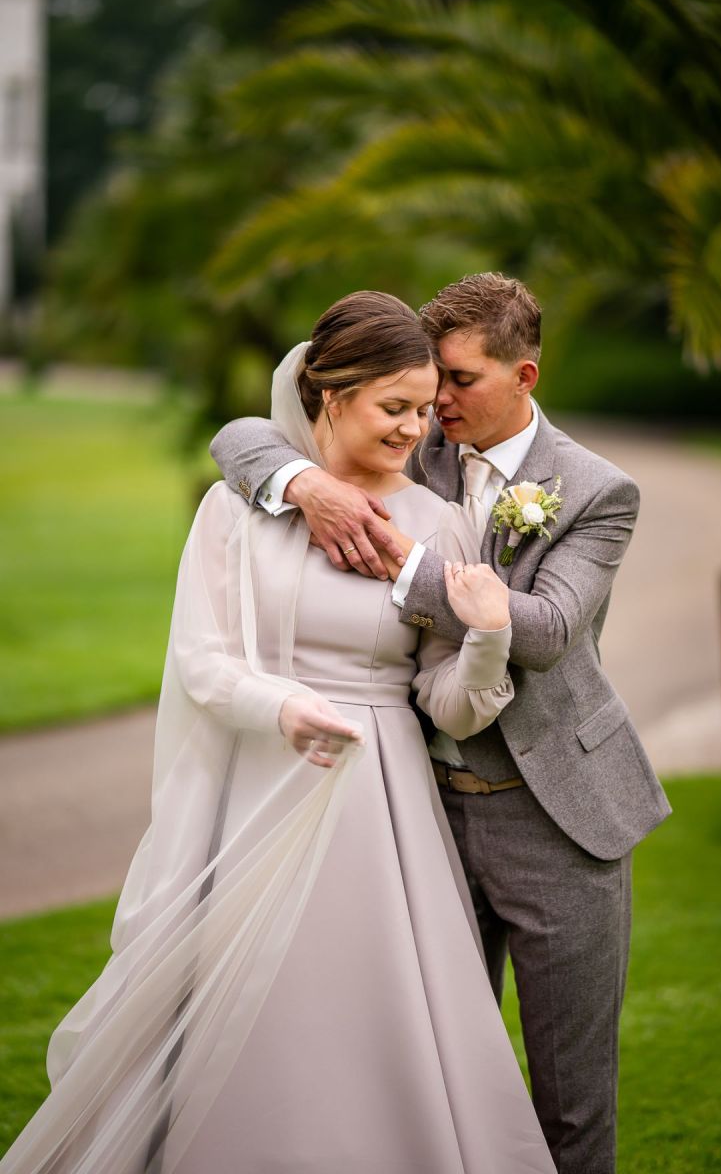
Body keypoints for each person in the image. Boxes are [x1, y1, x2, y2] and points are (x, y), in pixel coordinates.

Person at [0, 291, 556, 1174]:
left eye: (425, 408)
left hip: (384, 803)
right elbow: (202, 664)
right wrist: (282, 708)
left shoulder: (437, 522)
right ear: (329, 394)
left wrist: (488, 641)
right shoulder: (235, 512)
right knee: (254, 1005)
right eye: (395, 407)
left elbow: (445, 704)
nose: (419, 428)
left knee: (375, 1010)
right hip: (262, 781)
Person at [211, 272, 672, 1174]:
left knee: (569, 1100)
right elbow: (242, 437)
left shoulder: (595, 491)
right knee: (438, 1078)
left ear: (524, 376)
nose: (436, 405)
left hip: (560, 818)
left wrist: (400, 556)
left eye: (459, 381)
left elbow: (540, 633)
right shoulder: (414, 440)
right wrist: (308, 485)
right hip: (419, 815)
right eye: (427, 383)